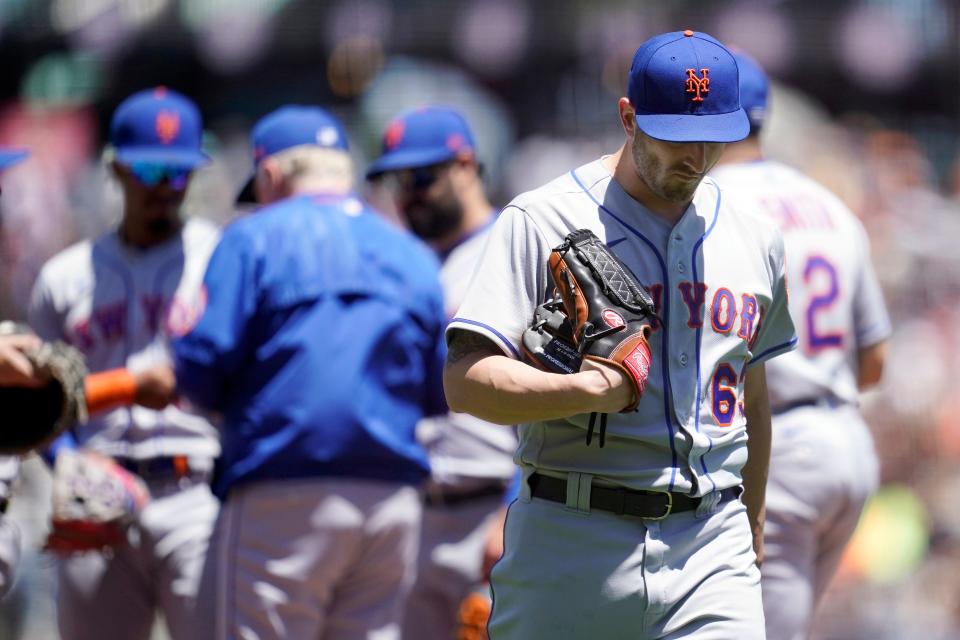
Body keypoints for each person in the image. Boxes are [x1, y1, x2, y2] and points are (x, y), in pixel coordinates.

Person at [442, 30, 797, 639]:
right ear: (627, 118)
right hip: (572, 533)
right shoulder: (543, 219)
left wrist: (754, 522)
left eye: (712, 138)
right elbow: (465, 383)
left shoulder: (755, 237)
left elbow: (754, 397)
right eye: (675, 138)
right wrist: (587, 391)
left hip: (712, 542)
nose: (695, 157)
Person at [170, 105, 448, 640]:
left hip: (283, 490)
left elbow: (201, 367)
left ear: (271, 175)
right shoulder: (412, 254)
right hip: (390, 499)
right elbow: (441, 389)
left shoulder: (252, 239)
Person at [27, 87, 221, 640]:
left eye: (179, 173)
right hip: (99, 491)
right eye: (150, 169)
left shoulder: (222, 257)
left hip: (196, 493)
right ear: (114, 169)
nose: (165, 187)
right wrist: (65, 460)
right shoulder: (63, 279)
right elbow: (34, 407)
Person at [711, 52, 890, 640]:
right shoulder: (827, 202)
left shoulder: (710, 205)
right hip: (847, 445)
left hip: (777, 448)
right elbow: (874, 362)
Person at [366, 106, 517, 640]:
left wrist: (514, 507)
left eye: (421, 177)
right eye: (396, 180)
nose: (407, 193)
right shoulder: (406, 263)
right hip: (416, 513)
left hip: (491, 507)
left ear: (466, 164)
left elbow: (549, 395)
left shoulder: (513, 248)